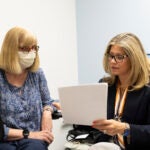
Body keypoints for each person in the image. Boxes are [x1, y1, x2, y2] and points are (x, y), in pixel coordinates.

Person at [0, 26, 60, 150]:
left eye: (34, 48)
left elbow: (48, 101)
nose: (31, 52)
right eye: (24, 48)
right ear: (10, 50)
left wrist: (48, 111)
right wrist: (29, 134)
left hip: (34, 141)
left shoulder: (36, 74)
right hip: (5, 139)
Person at [91, 33, 150, 150]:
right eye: (111, 56)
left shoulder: (147, 90)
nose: (113, 61)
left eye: (119, 57)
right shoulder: (105, 85)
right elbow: (96, 123)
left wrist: (125, 128)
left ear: (134, 59)